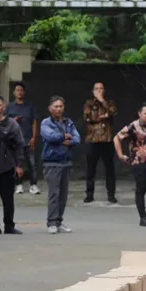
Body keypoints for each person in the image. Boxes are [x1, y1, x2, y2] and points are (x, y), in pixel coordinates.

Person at [40, 96, 81, 235]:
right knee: (54, 193)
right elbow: (50, 136)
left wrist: (69, 140)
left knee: (63, 194)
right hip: (52, 162)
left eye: (61, 106)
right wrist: (64, 136)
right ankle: (51, 222)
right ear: (50, 108)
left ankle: (58, 221)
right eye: (56, 106)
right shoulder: (46, 123)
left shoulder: (68, 122)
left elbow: (77, 138)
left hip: (65, 161)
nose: (58, 109)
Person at [0, 96, 26, 236]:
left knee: (8, 199)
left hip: (7, 167)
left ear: (4, 107)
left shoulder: (12, 125)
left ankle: (9, 225)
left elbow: (20, 145)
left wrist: (19, 165)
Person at [83, 82, 118, 204]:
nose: (99, 91)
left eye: (101, 88)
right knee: (90, 169)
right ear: (93, 91)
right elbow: (88, 118)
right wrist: (104, 116)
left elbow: (113, 112)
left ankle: (111, 194)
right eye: (96, 89)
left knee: (109, 169)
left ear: (104, 90)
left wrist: (102, 100)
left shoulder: (109, 102)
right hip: (92, 139)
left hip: (107, 139)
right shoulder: (88, 103)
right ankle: (89, 194)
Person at [7, 82, 39, 195]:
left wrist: (34, 137)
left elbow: (34, 121)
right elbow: (5, 122)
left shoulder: (29, 106)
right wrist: (13, 120)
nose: (19, 92)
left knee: (32, 163)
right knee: (17, 164)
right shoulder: (9, 107)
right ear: (14, 92)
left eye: (21, 90)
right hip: (15, 140)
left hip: (28, 139)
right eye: (17, 90)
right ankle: (18, 185)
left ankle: (33, 185)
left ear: (24, 92)